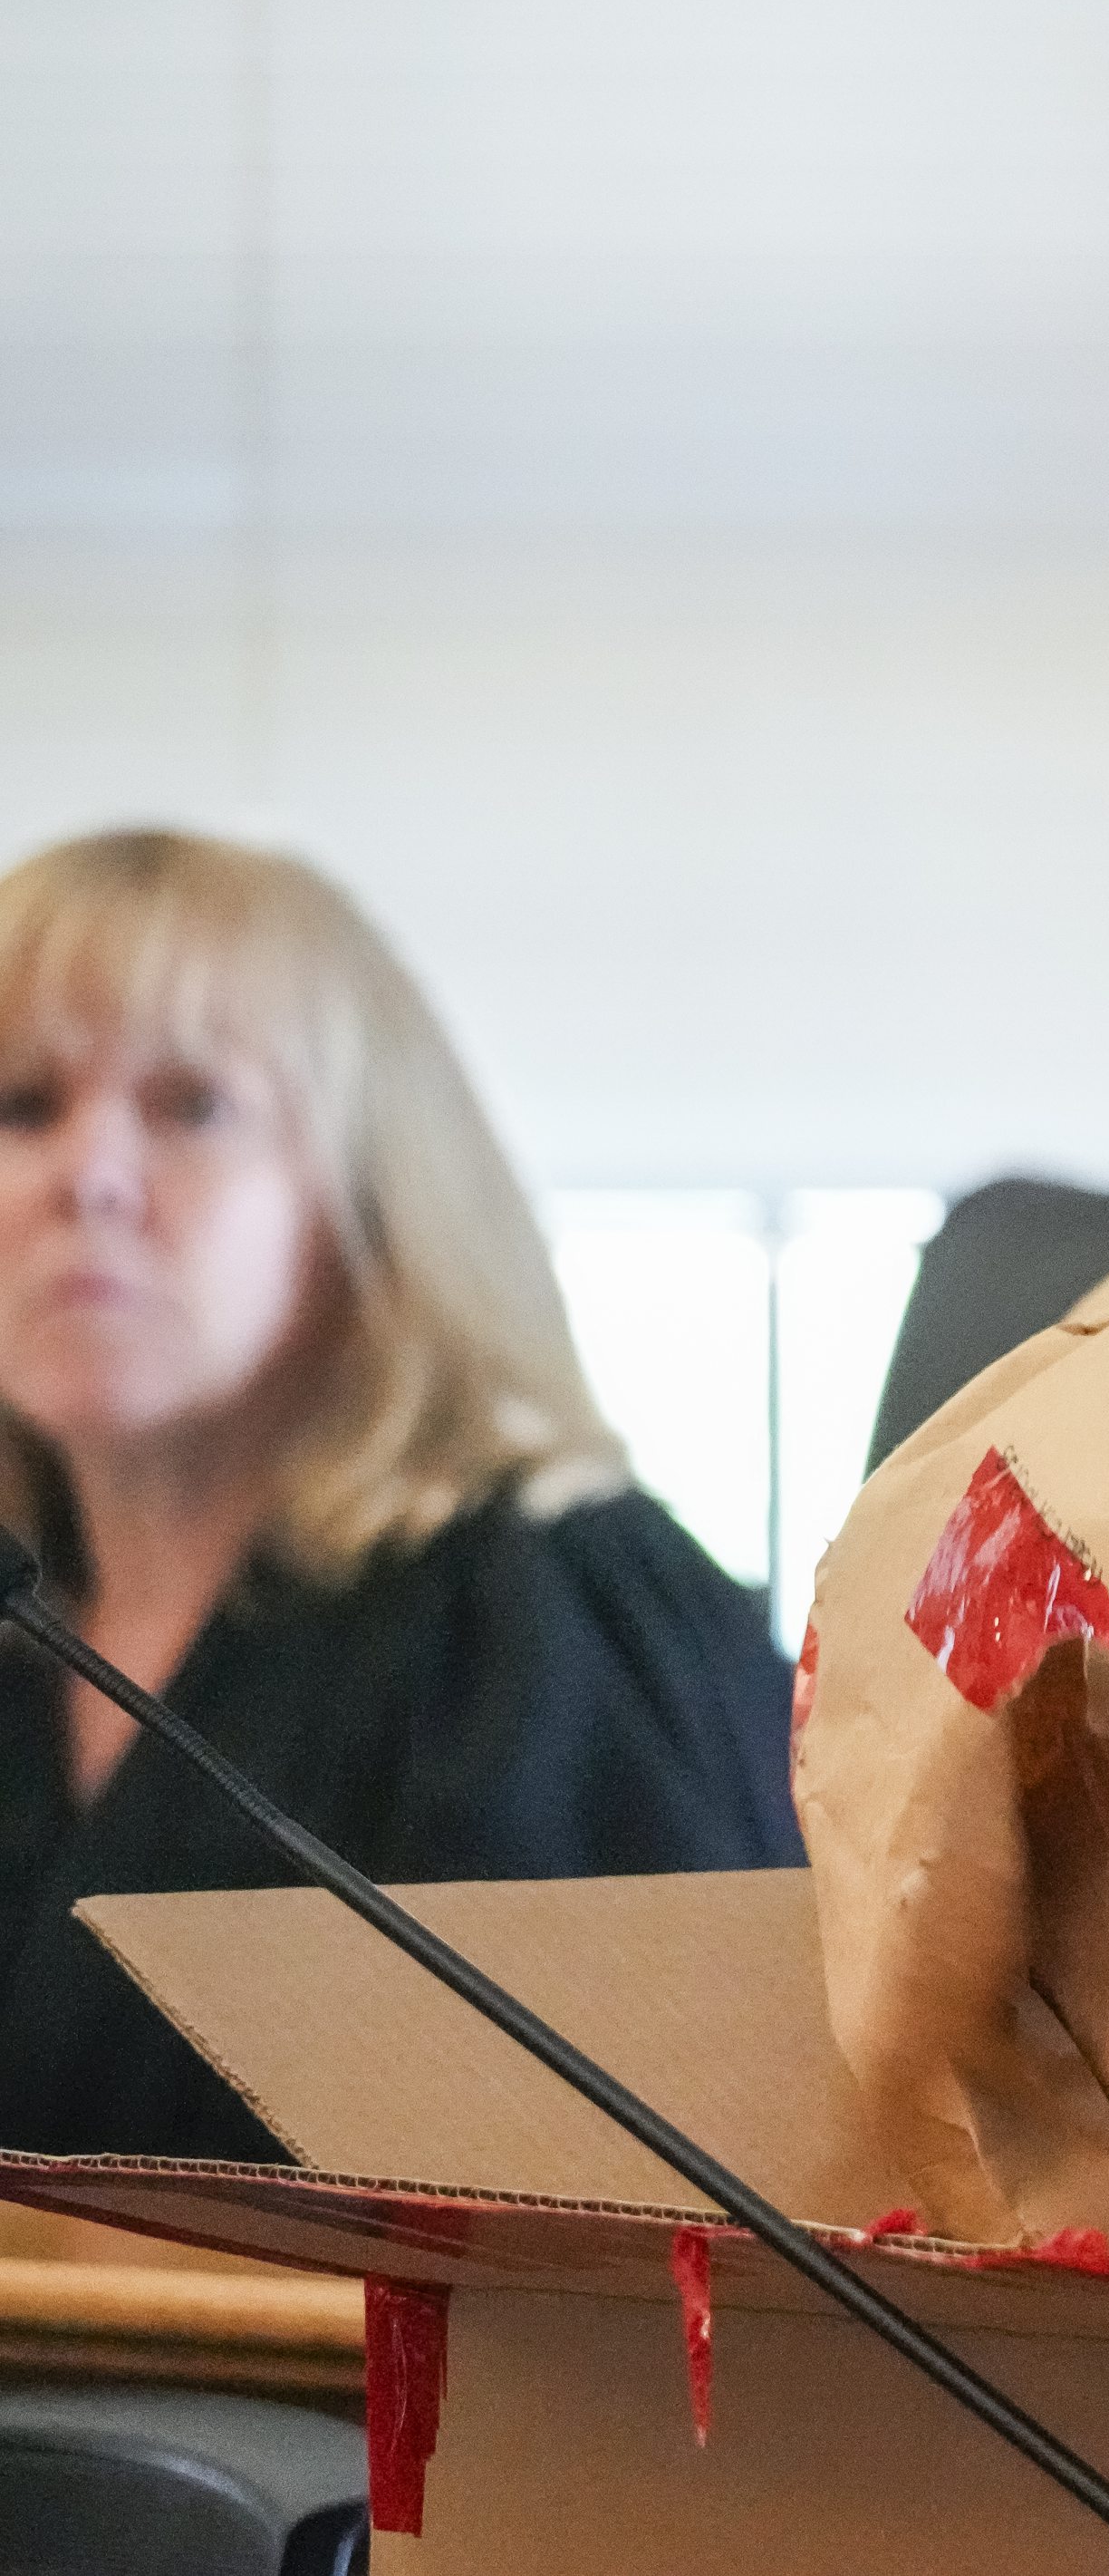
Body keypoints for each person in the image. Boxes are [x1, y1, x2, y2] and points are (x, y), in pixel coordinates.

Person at [0, 830, 801, 2164]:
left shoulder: (548, 1615)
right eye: (21, 1105)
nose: (86, 1173)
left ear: (373, 1194)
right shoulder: (26, 1630)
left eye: (190, 1102)